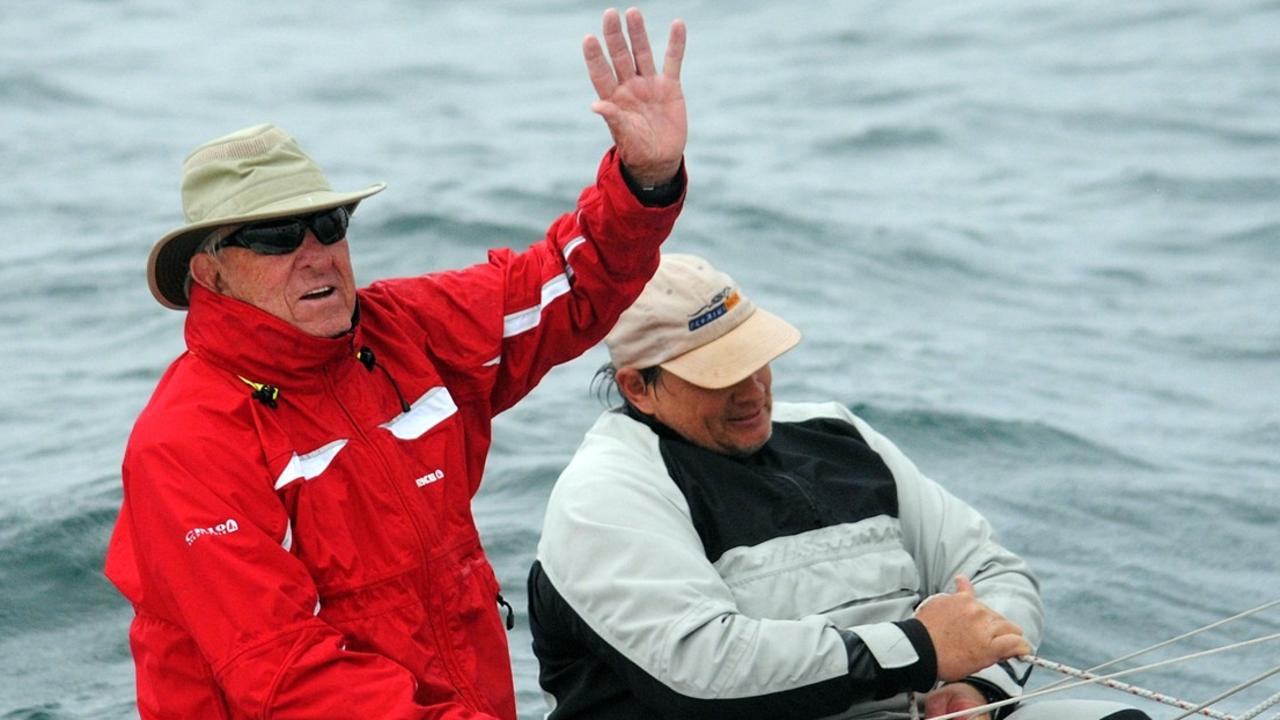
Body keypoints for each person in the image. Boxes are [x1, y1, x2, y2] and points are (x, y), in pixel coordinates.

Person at [103, 8, 686, 719]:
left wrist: (644, 179)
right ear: (211, 273)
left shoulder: (406, 330)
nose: (314, 251)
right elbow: (288, 678)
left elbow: (565, 288)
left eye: (329, 224)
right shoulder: (187, 444)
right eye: (276, 236)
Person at [527, 254, 1153, 720]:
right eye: (719, 375)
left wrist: (981, 690)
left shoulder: (835, 432)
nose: (752, 390)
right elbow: (704, 670)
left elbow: (990, 568)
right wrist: (919, 650)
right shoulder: (607, 493)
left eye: (755, 358)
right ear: (638, 387)